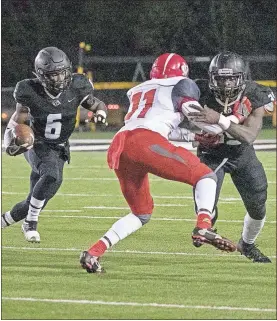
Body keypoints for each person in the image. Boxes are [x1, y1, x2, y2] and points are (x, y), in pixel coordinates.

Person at [80, 52, 237, 274]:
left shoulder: (139, 89)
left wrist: (194, 138)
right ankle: (203, 226)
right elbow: (195, 115)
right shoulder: (182, 84)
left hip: (121, 145)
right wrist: (223, 127)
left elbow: (159, 125)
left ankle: (93, 252)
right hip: (146, 142)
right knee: (206, 176)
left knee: (141, 213)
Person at [169, 51, 275, 263]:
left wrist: (219, 119)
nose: (226, 84)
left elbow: (249, 136)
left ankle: (247, 244)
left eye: (231, 78)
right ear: (211, 78)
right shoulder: (199, 91)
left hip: (241, 154)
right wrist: (195, 133)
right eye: (220, 78)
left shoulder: (254, 93)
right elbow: (176, 119)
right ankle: (205, 228)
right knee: (206, 207)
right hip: (211, 154)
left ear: (242, 78)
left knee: (258, 204)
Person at [2, 46, 107, 243]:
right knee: (50, 175)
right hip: (38, 143)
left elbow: (96, 103)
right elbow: (19, 122)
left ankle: (4, 221)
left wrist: (101, 113)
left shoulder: (77, 85)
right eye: (54, 75)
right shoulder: (29, 90)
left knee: (36, 199)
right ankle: (31, 224)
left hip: (60, 147)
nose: (60, 79)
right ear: (41, 75)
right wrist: (14, 140)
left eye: (63, 73)